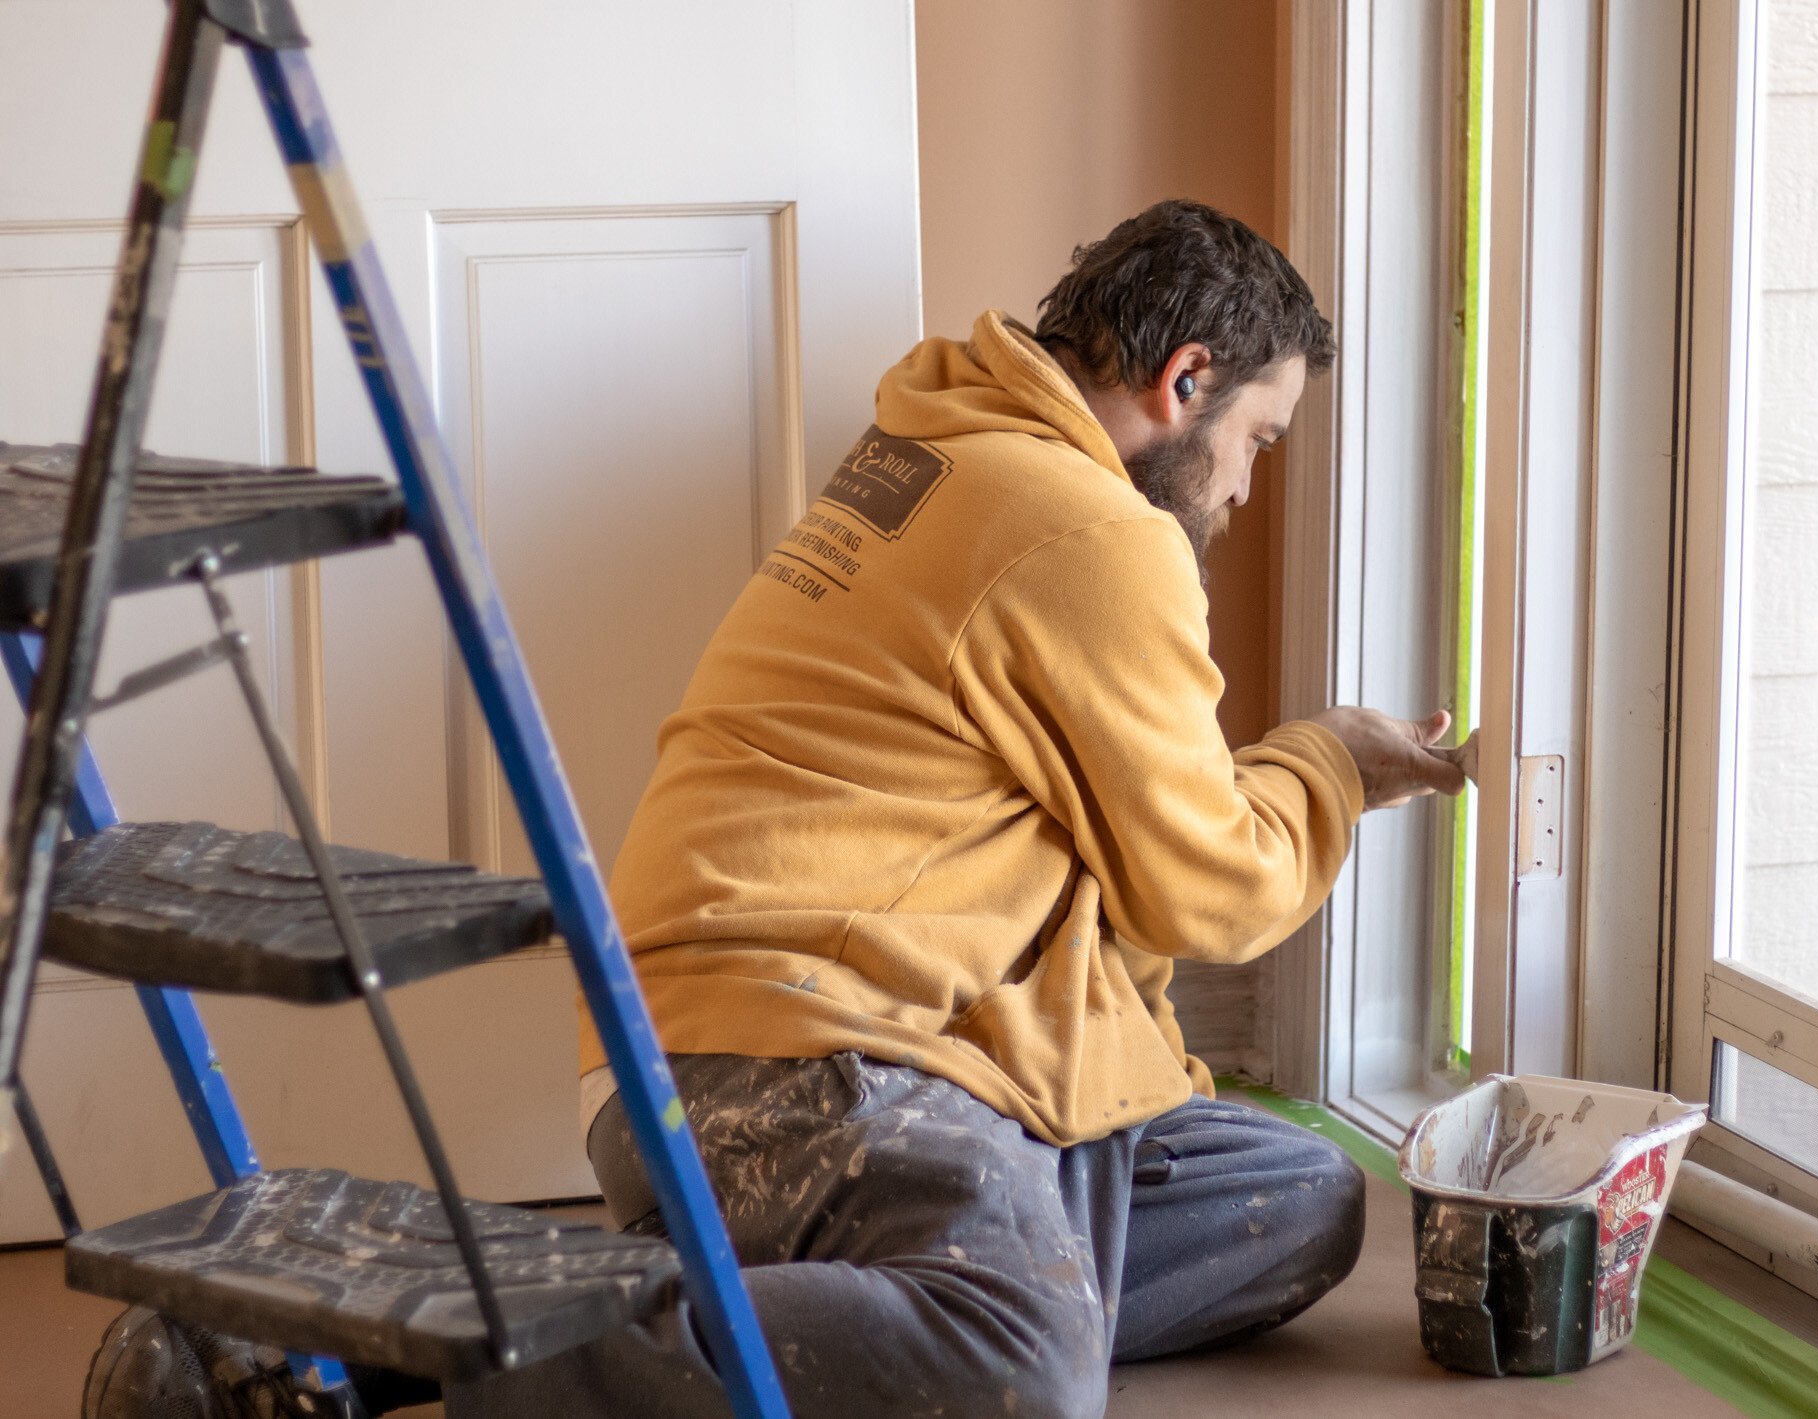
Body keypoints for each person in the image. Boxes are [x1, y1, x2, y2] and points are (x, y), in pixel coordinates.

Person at [89, 200, 1463, 1419]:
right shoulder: (1095, 534)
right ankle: (440, 1338)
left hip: (814, 1047)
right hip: (796, 1061)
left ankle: (819, 1293)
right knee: (1025, 1364)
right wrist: (1331, 760)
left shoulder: (947, 446)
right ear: (1185, 381)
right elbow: (1208, 888)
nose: (1243, 484)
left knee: (1300, 1202)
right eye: (1258, 440)